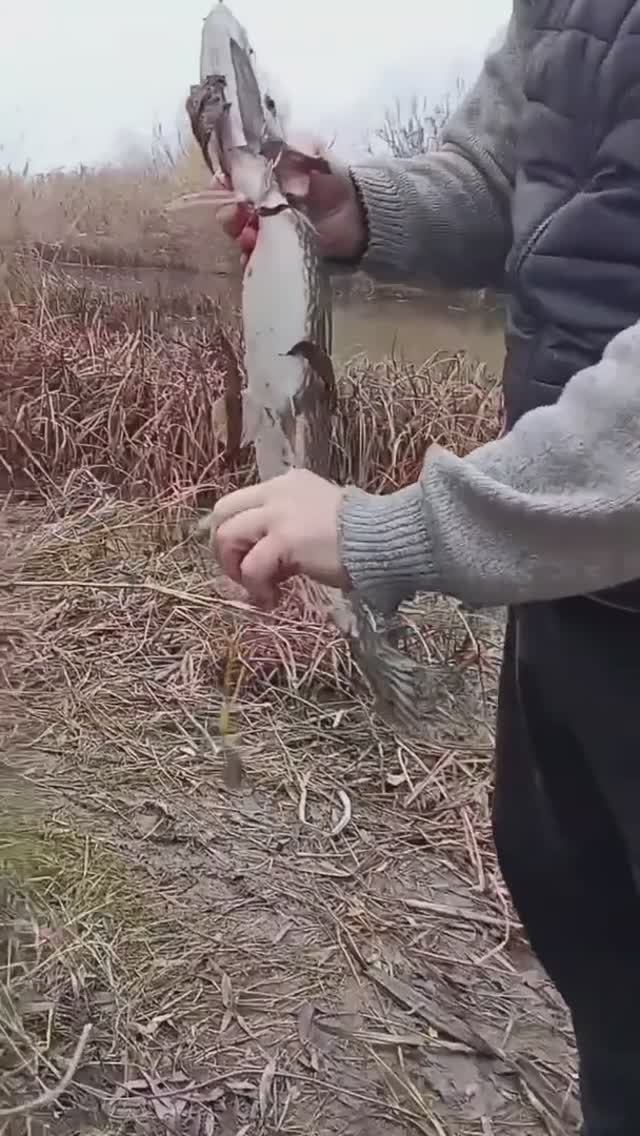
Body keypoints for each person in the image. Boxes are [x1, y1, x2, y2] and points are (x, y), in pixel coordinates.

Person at [208, 4, 640, 1132]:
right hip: (570, 586)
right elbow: (513, 172)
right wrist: (357, 209)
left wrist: (393, 531)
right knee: (602, 966)